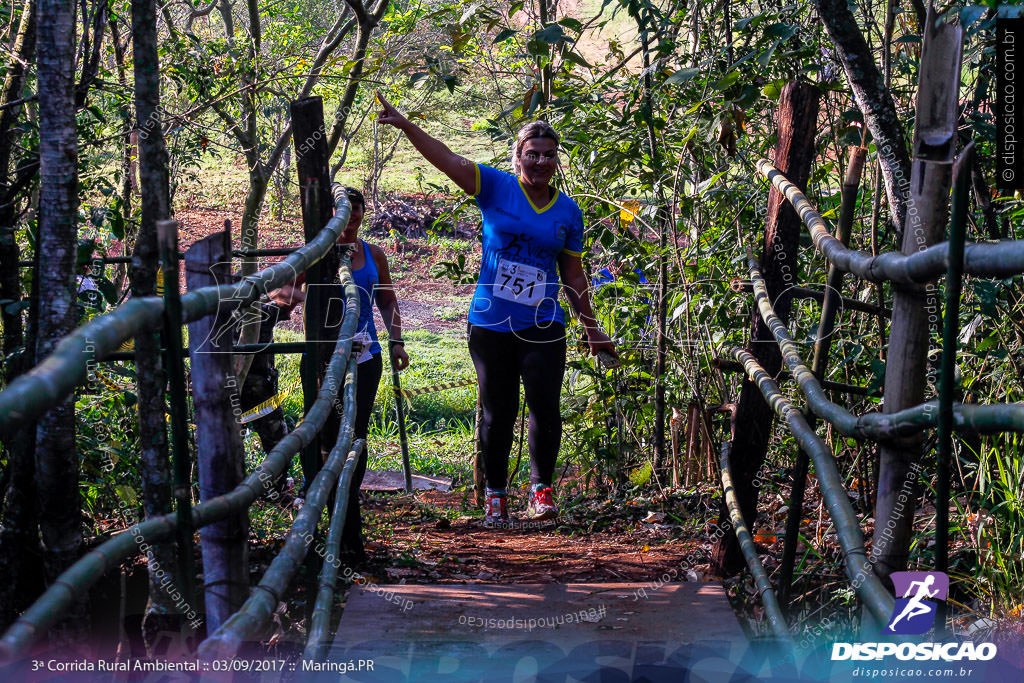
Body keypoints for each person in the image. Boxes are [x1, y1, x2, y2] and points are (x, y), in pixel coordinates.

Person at [376, 91, 616, 527]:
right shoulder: (495, 187)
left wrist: (592, 326)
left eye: (548, 155)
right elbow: (446, 158)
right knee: (498, 410)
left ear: (556, 160)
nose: (541, 162)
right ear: (518, 156)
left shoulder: (569, 212)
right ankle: (496, 495)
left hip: (544, 322)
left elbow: (574, 275)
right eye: (533, 154)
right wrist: (407, 124)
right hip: (491, 322)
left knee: (545, 405)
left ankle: (541, 491)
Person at [315, 187, 409, 562]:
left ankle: (350, 512)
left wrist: (397, 340)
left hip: (366, 356)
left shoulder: (374, 254)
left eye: (357, 211)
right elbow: (290, 291)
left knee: (356, 434)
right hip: (325, 358)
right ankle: (326, 517)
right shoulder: (317, 252)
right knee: (325, 434)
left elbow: (386, 298)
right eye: (345, 212)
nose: (352, 218)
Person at [237, 282, 305, 503]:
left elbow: (286, 297)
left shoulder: (217, 317)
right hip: (259, 391)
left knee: (226, 443)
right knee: (278, 445)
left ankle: (235, 492)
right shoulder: (261, 314)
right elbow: (289, 297)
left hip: (228, 388)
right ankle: (275, 489)